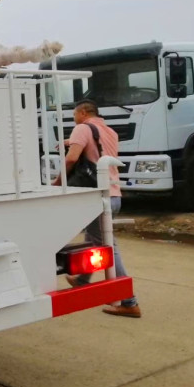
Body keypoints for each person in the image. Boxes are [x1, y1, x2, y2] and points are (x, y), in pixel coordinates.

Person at [53, 100, 141, 318]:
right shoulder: (109, 131)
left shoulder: (82, 128)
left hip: (96, 197)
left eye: (74, 114)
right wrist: (70, 141)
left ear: (83, 113)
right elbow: (96, 150)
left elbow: (73, 158)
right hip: (113, 195)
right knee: (95, 240)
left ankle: (130, 302)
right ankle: (81, 279)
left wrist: (57, 181)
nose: (74, 118)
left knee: (109, 246)